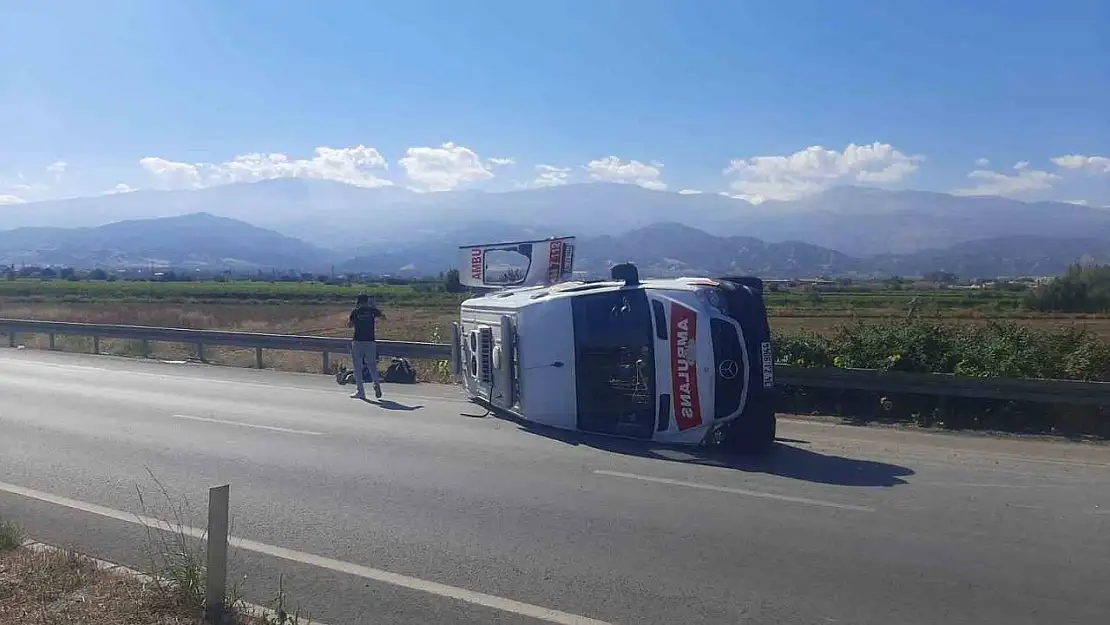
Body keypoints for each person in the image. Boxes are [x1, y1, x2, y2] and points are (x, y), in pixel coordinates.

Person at [347, 293, 385, 399]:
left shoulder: (355, 312)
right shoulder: (372, 311)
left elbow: (349, 325)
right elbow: (383, 317)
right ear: (367, 301)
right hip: (370, 341)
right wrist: (373, 307)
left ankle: (360, 392)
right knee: (372, 365)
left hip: (358, 341)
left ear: (358, 301)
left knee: (357, 367)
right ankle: (376, 384)